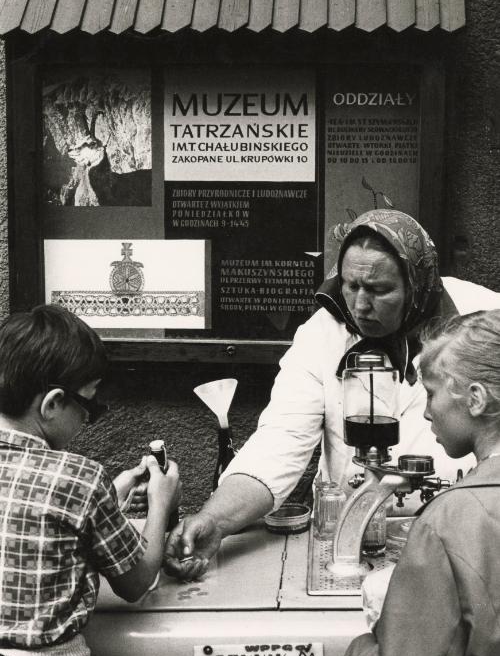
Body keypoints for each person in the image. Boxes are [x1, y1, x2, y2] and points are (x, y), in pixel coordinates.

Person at [165, 209, 500, 579]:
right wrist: (215, 520)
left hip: (464, 531)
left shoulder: (482, 319)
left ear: (416, 283)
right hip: (350, 531)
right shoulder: (323, 333)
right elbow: (281, 441)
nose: (359, 305)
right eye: (350, 285)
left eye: (378, 290)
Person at [0, 304, 180, 656]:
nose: (89, 419)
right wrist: (160, 503)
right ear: (52, 404)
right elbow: (137, 582)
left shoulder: (79, 487)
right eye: (90, 406)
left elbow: (31, 527)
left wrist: (108, 496)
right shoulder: (78, 478)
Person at [337, 308, 500, 656]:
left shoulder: (450, 521)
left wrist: (357, 650)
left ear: (476, 399)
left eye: (431, 393)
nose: (426, 414)